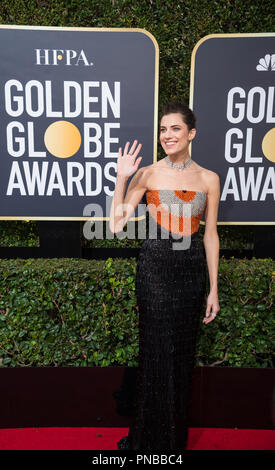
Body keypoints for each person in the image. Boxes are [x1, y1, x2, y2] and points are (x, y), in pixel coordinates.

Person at [109, 101, 220, 451]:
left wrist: (213, 289)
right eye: (163, 129)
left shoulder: (209, 179)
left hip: (190, 273)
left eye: (174, 128)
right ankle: (146, 441)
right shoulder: (148, 174)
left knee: (181, 355)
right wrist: (122, 176)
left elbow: (211, 235)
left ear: (191, 133)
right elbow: (115, 225)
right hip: (155, 268)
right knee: (156, 352)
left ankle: (171, 440)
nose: (167, 135)